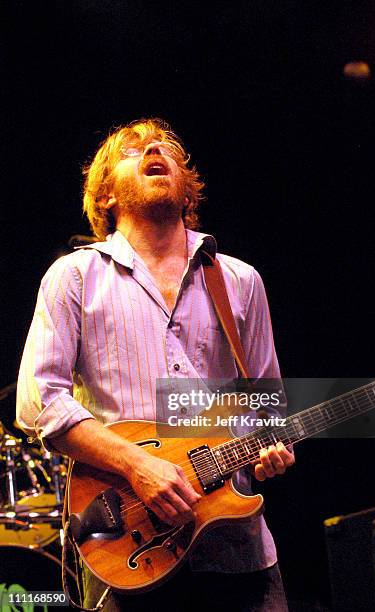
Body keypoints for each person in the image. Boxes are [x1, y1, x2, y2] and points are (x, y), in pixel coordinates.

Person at [16, 117, 295, 611]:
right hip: (128, 550)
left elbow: (264, 406)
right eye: (134, 149)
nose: (154, 149)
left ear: (188, 189)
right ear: (105, 196)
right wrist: (137, 464)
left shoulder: (240, 279)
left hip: (239, 556)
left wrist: (270, 449)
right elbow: (41, 406)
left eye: (166, 146)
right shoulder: (75, 277)